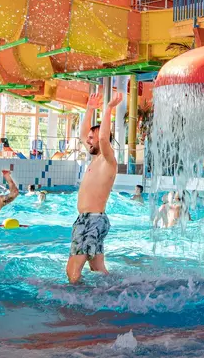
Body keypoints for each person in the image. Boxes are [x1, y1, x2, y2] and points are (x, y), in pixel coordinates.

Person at [66, 91, 122, 284]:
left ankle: (77, 308)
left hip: (92, 221)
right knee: (98, 270)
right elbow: (83, 135)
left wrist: (108, 109)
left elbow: (104, 139)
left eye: (92, 137)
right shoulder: (96, 159)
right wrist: (89, 109)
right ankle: (116, 293)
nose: (87, 140)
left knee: (72, 272)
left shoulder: (108, 160)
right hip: (89, 220)